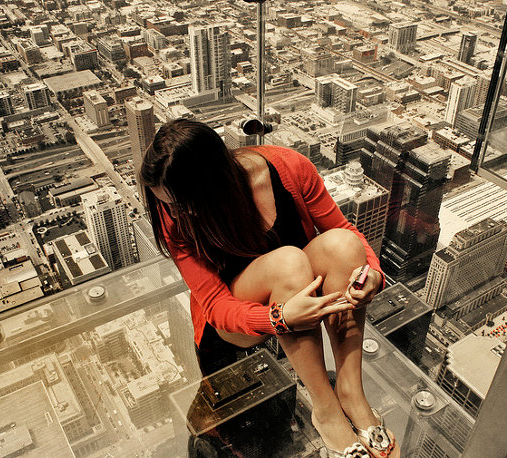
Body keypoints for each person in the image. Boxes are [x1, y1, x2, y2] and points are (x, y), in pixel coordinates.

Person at [138, 119, 400, 458]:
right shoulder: (171, 214)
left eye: (184, 201)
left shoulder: (289, 168)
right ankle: (326, 410)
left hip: (297, 308)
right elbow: (215, 305)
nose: (179, 211)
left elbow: (347, 233)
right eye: (169, 203)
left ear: (215, 176)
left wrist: (373, 276)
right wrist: (277, 318)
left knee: (342, 245)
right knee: (287, 263)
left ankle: (352, 393)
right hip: (235, 326)